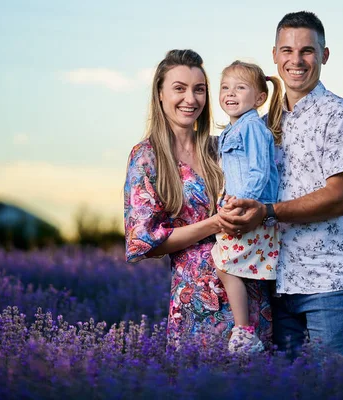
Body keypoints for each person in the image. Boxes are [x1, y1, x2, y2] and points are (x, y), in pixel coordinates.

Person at [218, 11, 343, 361]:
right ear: (275, 55)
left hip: (330, 284)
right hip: (280, 281)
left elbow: (339, 198)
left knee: (335, 389)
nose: (296, 60)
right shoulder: (266, 121)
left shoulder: (341, 116)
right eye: (287, 50)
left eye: (307, 50)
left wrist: (267, 212)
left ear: (324, 55)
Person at [123, 49, 272, 348]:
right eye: (179, 88)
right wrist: (215, 224)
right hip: (198, 303)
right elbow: (144, 243)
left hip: (250, 289)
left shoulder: (221, 148)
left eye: (199, 89)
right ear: (160, 94)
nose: (190, 99)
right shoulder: (147, 157)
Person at [210, 61, 283, 353]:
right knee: (228, 264)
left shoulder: (251, 127)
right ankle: (246, 331)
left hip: (249, 208)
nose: (230, 93)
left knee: (224, 262)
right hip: (241, 205)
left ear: (259, 98)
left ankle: (244, 332)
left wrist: (245, 203)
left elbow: (259, 170)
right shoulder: (236, 127)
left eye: (240, 88)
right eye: (225, 87)